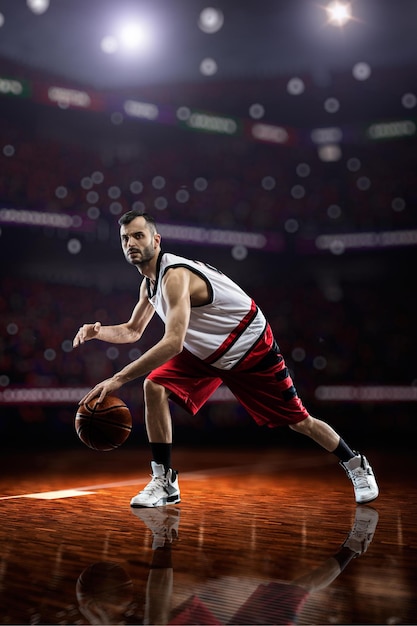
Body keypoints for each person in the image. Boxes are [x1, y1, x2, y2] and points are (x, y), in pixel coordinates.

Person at [73, 210, 379, 508]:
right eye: (125, 238)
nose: (131, 243)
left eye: (138, 236)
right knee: (154, 386)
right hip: (207, 352)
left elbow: (174, 343)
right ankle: (164, 482)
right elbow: (132, 330)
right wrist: (98, 331)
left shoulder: (174, 276)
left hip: (249, 346)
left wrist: (118, 378)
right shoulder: (148, 284)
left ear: (156, 240)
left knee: (299, 422)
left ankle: (356, 464)